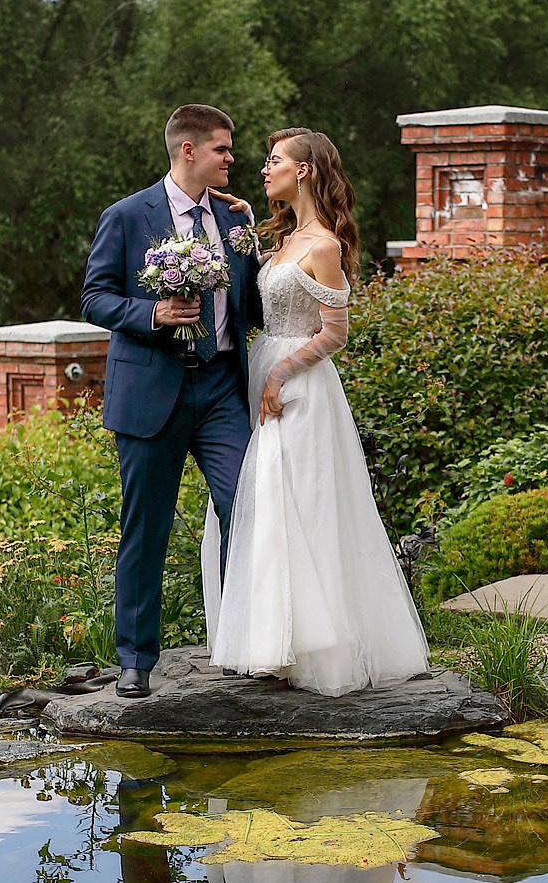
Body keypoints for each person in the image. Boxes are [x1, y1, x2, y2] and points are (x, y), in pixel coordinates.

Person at [204, 128, 431, 695]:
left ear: (303, 171)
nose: (263, 167)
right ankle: (265, 639)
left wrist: (281, 374)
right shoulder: (284, 239)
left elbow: (336, 332)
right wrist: (250, 220)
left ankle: (309, 647)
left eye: (274, 160)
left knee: (297, 505)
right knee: (257, 504)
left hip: (298, 385)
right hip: (262, 371)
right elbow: (269, 295)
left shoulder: (323, 245)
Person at [81, 104, 264, 700]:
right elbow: (95, 298)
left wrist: (259, 246)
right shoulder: (128, 216)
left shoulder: (233, 222)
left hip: (219, 390)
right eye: (223, 149)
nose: (232, 159)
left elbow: (254, 309)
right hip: (151, 390)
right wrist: (151, 313)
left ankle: (245, 645)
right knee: (146, 528)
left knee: (249, 508)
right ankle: (135, 659)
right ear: (188, 151)